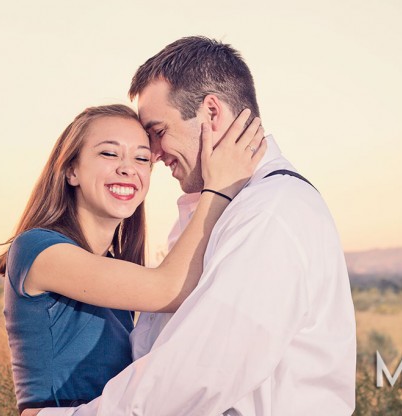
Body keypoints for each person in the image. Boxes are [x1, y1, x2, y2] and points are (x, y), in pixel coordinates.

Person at [35, 36, 357, 416]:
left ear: (211, 113)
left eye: (157, 131)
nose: (152, 154)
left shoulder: (271, 212)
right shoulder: (219, 207)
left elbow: (198, 374)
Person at [0, 103, 265, 413]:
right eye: (109, 154)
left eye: (142, 158)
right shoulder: (37, 248)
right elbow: (169, 289)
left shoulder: (116, 268)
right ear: (71, 170)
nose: (128, 168)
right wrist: (218, 187)